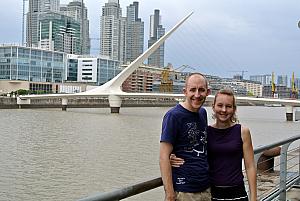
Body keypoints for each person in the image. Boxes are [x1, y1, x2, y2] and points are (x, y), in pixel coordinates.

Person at [171, 89, 257, 201]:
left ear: (234, 109)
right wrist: (171, 156)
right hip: (212, 194)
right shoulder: (206, 131)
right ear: (213, 107)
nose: (224, 110)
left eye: (228, 106)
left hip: (238, 193)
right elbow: (190, 151)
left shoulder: (242, 132)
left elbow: (250, 167)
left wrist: (254, 197)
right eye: (220, 105)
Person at [159, 73, 211, 201]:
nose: (197, 95)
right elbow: (163, 156)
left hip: (206, 187)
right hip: (185, 191)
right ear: (185, 92)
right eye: (192, 90)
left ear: (208, 92)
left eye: (201, 90)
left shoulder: (202, 113)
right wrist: (170, 194)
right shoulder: (173, 116)